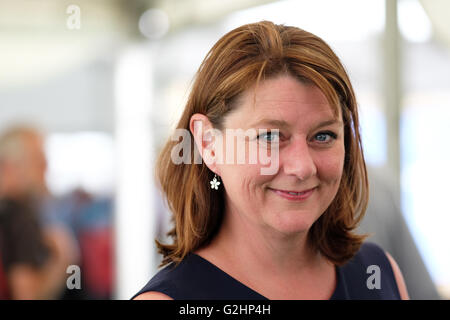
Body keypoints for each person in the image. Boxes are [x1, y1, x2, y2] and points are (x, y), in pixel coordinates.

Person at [133, 21, 409, 300]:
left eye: (323, 136)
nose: (302, 167)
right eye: (270, 137)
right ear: (208, 144)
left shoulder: (378, 273)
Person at [0, 125, 78, 299]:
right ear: (10, 166)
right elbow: (27, 296)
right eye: (38, 160)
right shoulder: (18, 215)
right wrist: (62, 258)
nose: (46, 168)